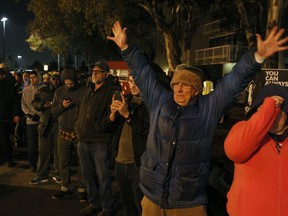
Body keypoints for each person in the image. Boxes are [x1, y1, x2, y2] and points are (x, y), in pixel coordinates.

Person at [107, 21, 288, 215]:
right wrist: (126, 48)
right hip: (153, 196)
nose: (179, 89)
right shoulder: (160, 100)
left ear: (196, 90)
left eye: (185, 85)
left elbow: (234, 82)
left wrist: (256, 57)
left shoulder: (208, 108)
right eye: (176, 84)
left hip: (188, 201)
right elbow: (143, 73)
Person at [224, 84, 288, 216]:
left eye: (278, 110)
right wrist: (268, 107)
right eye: (263, 109)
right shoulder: (242, 129)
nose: (272, 116)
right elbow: (235, 151)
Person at [75, 62, 117, 216]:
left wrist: (100, 127)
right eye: (93, 71)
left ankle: (107, 206)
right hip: (83, 138)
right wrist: (77, 126)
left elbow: (112, 116)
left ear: (107, 74)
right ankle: (94, 202)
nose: (95, 73)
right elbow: (80, 110)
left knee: (103, 175)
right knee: (87, 175)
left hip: (99, 140)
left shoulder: (111, 91)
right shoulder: (89, 90)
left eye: (99, 71)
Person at [109, 75, 149, 216]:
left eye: (137, 82)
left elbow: (146, 131)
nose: (133, 85)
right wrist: (113, 116)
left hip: (137, 163)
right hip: (120, 160)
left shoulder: (149, 105)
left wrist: (128, 116)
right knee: (126, 202)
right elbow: (112, 129)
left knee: (140, 204)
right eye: (131, 81)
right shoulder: (127, 101)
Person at [51, 68, 86, 202]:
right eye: (66, 83)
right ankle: (65, 186)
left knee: (81, 161)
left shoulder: (83, 90)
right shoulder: (59, 91)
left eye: (71, 83)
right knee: (63, 161)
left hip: (78, 131)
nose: (69, 85)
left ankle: (82, 188)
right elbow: (53, 110)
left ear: (76, 80)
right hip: (63, 130)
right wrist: (62, 106)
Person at [29, 79, 61, 184]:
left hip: (58, 124)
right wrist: (43, 105)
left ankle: (57, 173)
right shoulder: (42, 90)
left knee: (58, 152)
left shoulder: (61, 90)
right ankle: (42, 174)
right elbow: (34, 103)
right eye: (51, 78)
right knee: (43, 151)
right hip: (45, 124)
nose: (53, 81)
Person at [21, 70, 41, 172]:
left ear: (38, 77)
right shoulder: (26, 89)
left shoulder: (42, 89)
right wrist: (31, 115)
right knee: (31, 144)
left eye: (34, 77)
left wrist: (40, 115)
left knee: (41, 144)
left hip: (41, 120)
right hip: (31, 120)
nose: (32, 79)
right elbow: (23, 104)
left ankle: (41, 163)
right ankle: (32, 163)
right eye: (31, 77)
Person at [0, 68, 19, 167]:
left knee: (4, 139)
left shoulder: (9, 86)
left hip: (5, 117)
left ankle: (8, 158)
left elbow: (15, 102)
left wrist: (16, 114)